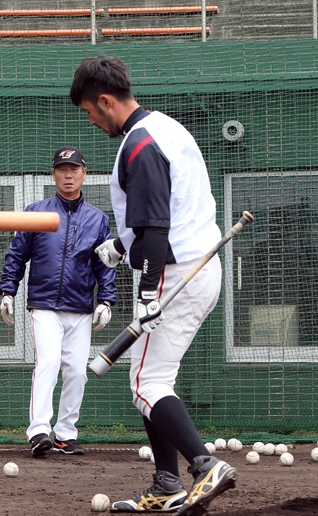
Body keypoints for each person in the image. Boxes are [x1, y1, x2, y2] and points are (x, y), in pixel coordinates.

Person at [69, 55, 237, 515]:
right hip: (199, 266)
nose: (92, 120)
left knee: (145, 381)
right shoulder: (166, 127)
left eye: (89, 111)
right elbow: (164, 211)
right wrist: (120, 249)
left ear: (105, 101)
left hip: (176, 272)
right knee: (154, 378)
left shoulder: (138, 145)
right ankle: (167, 484)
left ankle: (205, 466)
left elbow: (157, 231)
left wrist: (146, 296)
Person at [0, 146, 117, 458]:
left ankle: (65, 434)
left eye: (74, 169)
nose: (68, 175)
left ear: (84, 174)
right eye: (62, 169)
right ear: (53, 174)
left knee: (76, 371)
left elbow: (104, 263)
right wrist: (8, 291)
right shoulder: (36, 212)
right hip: (45, 304)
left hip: (80, 307)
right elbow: (16, 256)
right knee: (48, 363)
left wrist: (106, 300)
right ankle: (38, 430)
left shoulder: (98, 219)